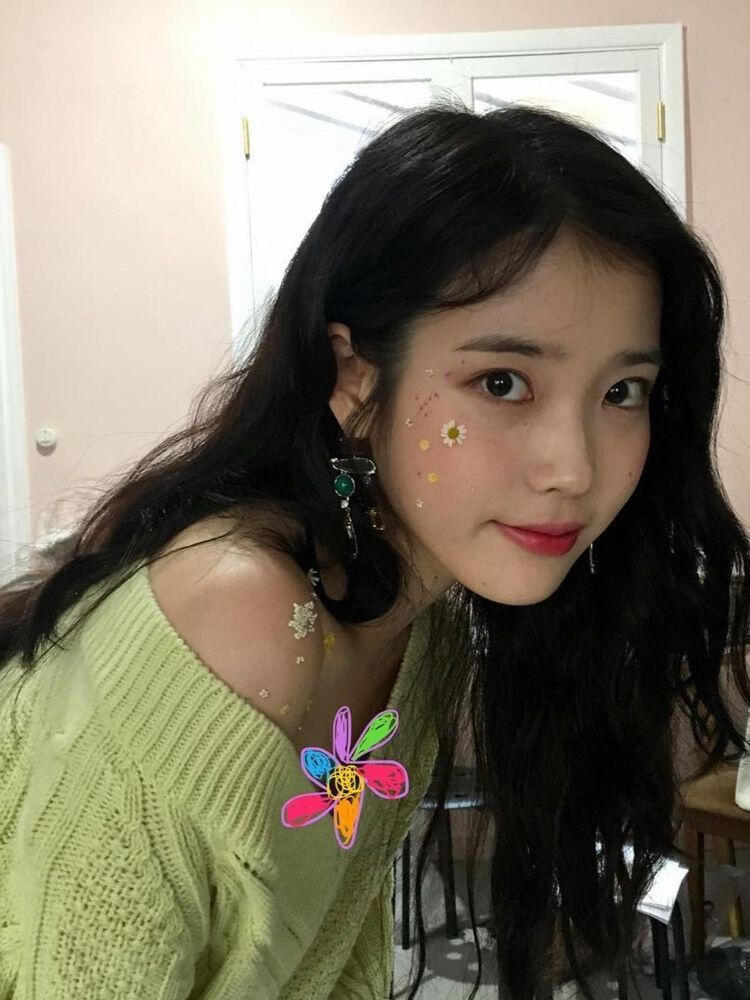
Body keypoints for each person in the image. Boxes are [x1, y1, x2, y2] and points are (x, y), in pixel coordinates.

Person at [0, 99, 748, 1000]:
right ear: (354, 379)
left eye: (623, 391)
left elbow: (324, 960)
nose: (574, 468)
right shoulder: (241, 613)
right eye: (502, 382)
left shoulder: (415, 618)